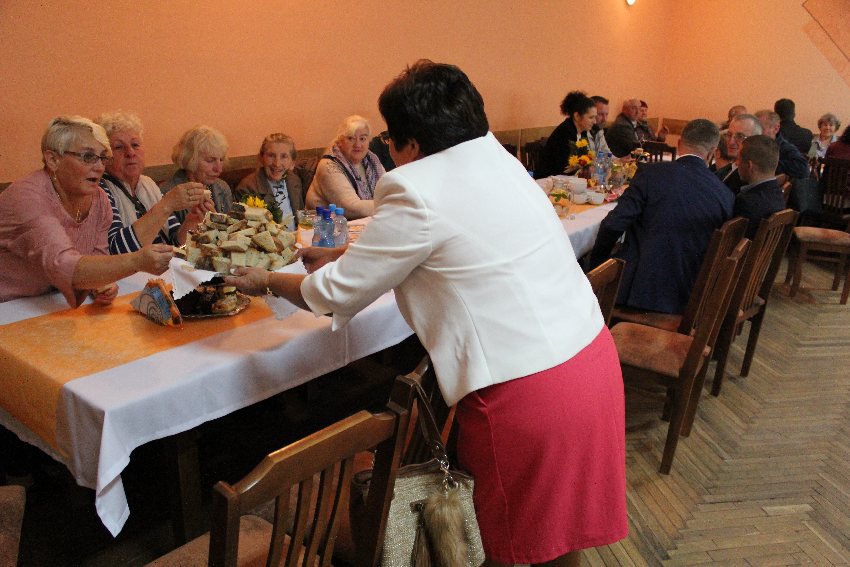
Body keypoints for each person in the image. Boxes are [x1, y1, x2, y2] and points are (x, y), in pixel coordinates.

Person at [226, 60, 627, 567]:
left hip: (526, 394)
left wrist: (265, 280)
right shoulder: (495, 158)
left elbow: (333, 294)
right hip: (589, 363)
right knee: (558, 540)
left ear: (410, 144)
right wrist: (346, 253)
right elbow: (449, 239)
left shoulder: (414, 187)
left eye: (389, 139)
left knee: (501, 547)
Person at [0, 116, 172, 306]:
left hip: (52, 303)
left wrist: (100, 284)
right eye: (88, 157)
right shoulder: (27, 199)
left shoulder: (99, 199)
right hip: (8, 305)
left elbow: (97, 257)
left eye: (102, 158)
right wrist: (136, 262)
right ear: (53, 160)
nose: (99, 167)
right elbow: (63, 264)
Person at [589, 119, 733, 314]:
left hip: (639, 290)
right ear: (713, 152)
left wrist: (597, 265)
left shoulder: (651, 174)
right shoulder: (725, 194)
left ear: (679, 143)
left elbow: (613, 224)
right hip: (691, 297)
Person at [95, 111, 212, 254]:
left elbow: (175, 243)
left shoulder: (148, 184)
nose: (130, 152)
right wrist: (167, 205)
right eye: (118, 147)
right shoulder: (99, 190)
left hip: (164, 265)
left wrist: (192, 221)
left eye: (135, 145)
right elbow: (117, 250)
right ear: (104, 156)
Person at [305, 115, 386, 220]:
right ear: (340, 141)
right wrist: (392, 205)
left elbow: (388, 189)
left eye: (363, 139)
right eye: (351, 138)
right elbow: (351, 208)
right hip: (323, 226)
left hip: (361, 223)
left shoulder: (372, 161)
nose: (357, 144)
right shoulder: (329, 165)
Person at [160, 125, 233, 218]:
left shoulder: (222, 188)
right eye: (210, 160)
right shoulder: (169, 193)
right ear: (190, 159)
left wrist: (216, 219)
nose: (219, 169)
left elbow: (232, 225)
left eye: (221, 160)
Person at [234, 133, 303, 231]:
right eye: (271, 155)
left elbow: (300, 219)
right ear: (261, 158)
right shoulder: (247, 188)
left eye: (284, 156)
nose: (277, 163)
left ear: (292, 163)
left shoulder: (294, 180)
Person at [535, 91, 597, 179]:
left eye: (595, 117)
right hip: (549, 180)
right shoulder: (564, 133)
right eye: (591, 117)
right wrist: (583, 166)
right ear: (577, 116)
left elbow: (585, 158)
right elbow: (565, 168)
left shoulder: (583, 132)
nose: (595, 122)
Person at [733, 135, 786, 238]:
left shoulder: (747, 202)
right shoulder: (778, 193)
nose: (736, 163)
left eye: (738, 159)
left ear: (749, 165)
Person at [715, 113, 763, 194]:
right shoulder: (724, 170)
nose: (731, 142)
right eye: (729, 135)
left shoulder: (752, 177)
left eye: (740, 136)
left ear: (756, 141)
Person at [754, 110, 809, 179]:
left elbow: (803, 169)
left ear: (776, 129)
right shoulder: (751, 144)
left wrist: (767, 164)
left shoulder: (785, 148)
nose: (756, 133)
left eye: (761, 129)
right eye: (754, 129)